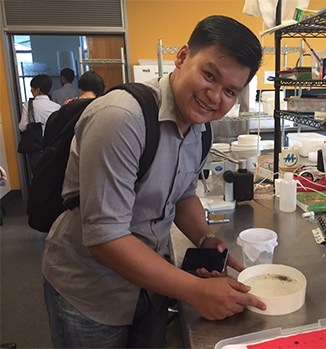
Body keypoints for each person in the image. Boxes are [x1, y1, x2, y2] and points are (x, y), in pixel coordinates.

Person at [42, 15, 265, 348]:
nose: (215, 96)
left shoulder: (200, 128)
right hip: (91, 294)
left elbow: (183, 193)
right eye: (209, 75)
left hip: (151, 286)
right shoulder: (121, 118)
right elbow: (105, 237)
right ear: (182, 56)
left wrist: (204, 237)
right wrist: (196, 290)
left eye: (230, 90)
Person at [19, 74, 60, 175]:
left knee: (38, 177)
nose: (31, 91)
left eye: (32, 89)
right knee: (53, 175)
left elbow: (22, 126)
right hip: (53, 147)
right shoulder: (57, 107)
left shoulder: (29, 105)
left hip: (35, 148)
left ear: (37, 89)